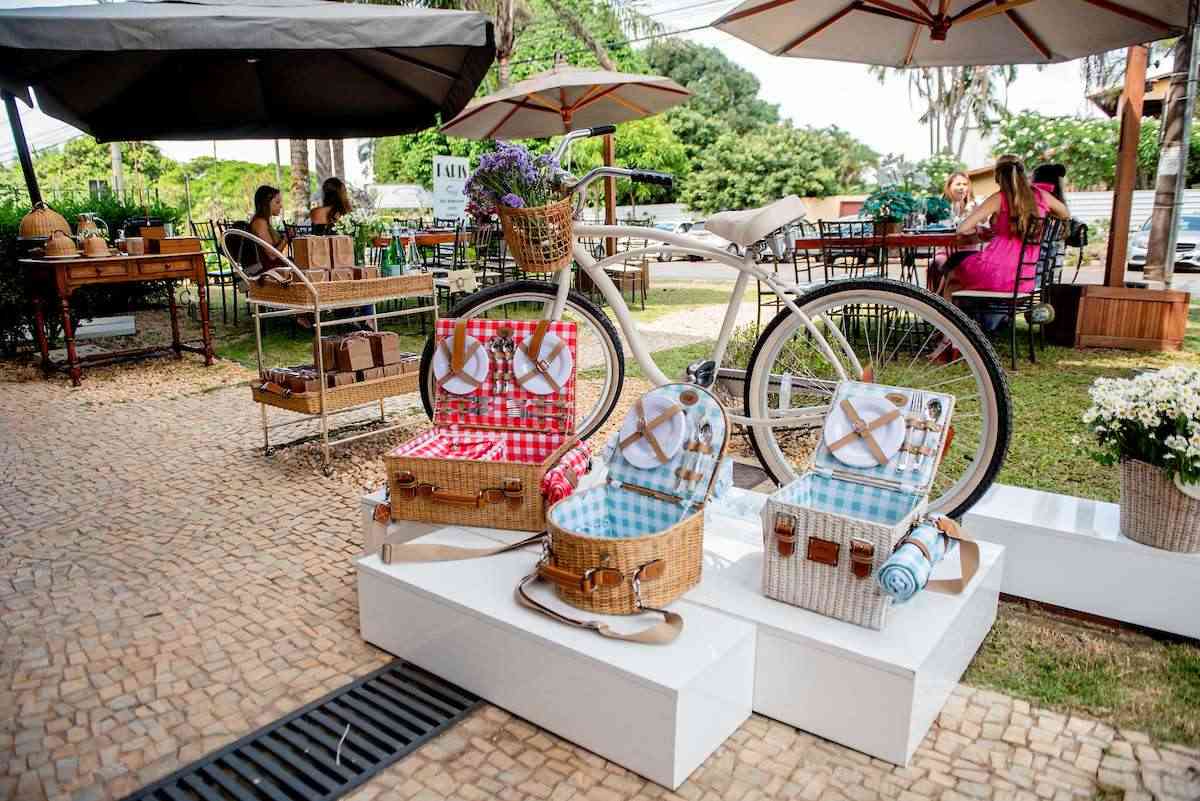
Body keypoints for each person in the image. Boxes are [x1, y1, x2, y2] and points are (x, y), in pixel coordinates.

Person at [937, 154, 1069, 302]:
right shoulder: (1041, 196)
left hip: (996, 272)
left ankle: (946, 320)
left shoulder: (999, 198)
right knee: (957, 267)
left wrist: (980, 229)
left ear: (998, 176)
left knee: (953, 272)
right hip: (1024, 278)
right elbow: (1065, 213)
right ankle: (965, 320)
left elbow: (962, 228)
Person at [927, 171, 980, 290]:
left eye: (965, 184)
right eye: (958, 184)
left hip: (966, 251)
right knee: (935, 264)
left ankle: (940, 301)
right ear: (949, 187)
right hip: (944, 250)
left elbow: (983, 225)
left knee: (950, 264)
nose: (962, 187)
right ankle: (931, 300)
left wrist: (973, 213)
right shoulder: (942, 208)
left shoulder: (974, 205)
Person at [247, 185, 291, 275]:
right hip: (268, 272)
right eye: (277, 202)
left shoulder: (264, 221)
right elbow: (272, 256)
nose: (281, 206)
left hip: (272, 267)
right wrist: (286, 239)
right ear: (266, 203)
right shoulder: (260, 223)